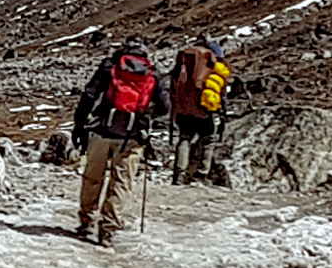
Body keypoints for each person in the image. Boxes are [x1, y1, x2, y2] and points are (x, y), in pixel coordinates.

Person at [68, 39, 162, 243]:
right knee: (121, 182)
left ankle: (87, 221)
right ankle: (108, 229)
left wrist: (79, 125)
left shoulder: (110, 67)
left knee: (93, 177)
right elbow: (164, 106)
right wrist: (145, 116)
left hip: (102, 131)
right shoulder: (153, 73)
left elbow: (89, 95)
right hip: (132, 137)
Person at [162, 36, 232, 185]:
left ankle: (179, 174)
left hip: (183, 110)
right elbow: (221, 93)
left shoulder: (186, 60)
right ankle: (201, 174)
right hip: (204, 110)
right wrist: (223, 110)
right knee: (208, 140)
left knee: (184, 138)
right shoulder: (213, 65)